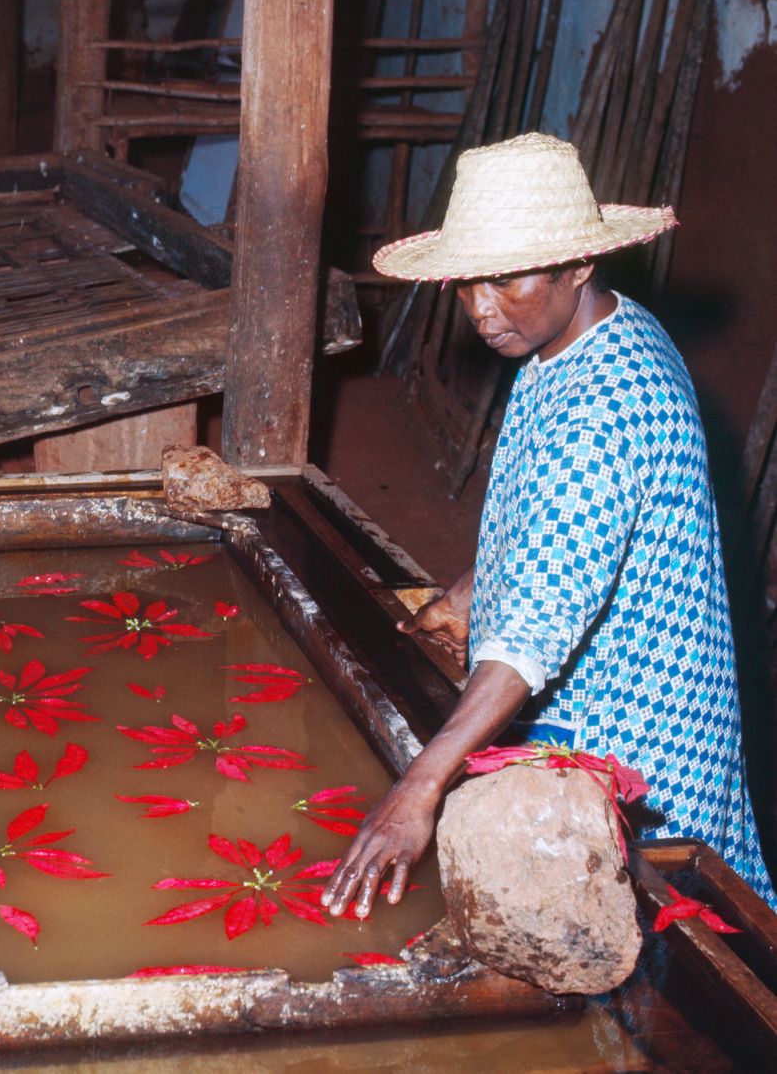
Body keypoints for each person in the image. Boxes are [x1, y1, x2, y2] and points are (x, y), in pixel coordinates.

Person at [322, 132, 777, 920]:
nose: (481, 309)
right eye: (466, 286)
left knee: (659, 940)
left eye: (506, 282)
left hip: (633, 749)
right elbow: (562, 525)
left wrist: (419, 786)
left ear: (579, 264)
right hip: (636, 700)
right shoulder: (591, 336)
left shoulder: (602, 409)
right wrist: (471, 588)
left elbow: (533, 637)